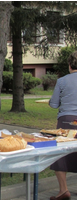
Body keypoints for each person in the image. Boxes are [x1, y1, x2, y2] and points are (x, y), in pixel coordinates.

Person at [49, 51, 77, 200]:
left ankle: (63, 190)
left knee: (60, 153)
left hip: (67, 120)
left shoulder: (62, 81)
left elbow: (54, 104)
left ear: (69, 64)